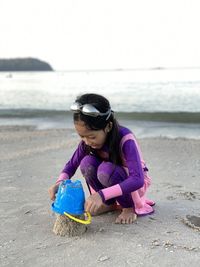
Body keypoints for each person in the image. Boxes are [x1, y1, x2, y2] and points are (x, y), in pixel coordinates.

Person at [48, 93, 155, 224]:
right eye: (82, 136)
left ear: (108, 126)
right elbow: (71, 165)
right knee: (86, 163)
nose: (86, 142)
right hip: (110, 180)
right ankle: (109, 203)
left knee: (107, 169)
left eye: (92, 137)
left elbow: (137, 180)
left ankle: (128, 207)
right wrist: (60, 183)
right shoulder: (87, 143)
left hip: (133, 186)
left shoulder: (125, 139)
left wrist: (100, 195)